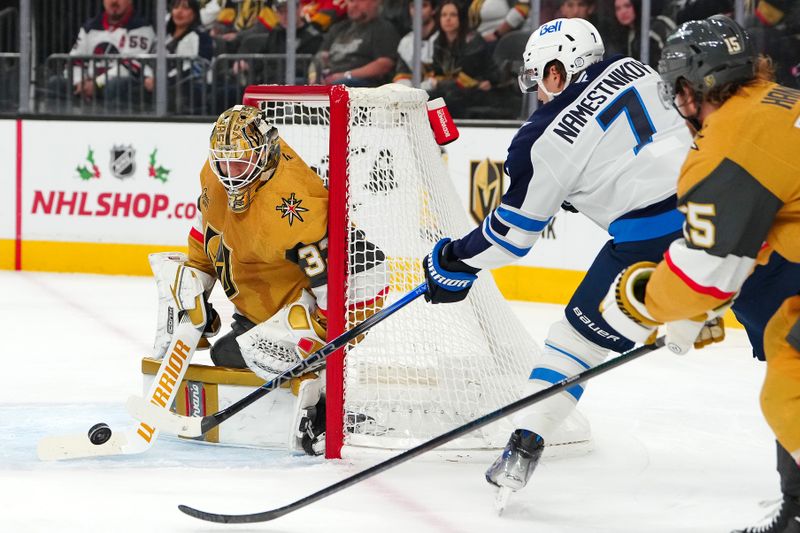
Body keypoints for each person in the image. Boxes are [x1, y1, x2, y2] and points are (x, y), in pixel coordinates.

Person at [420, 16, 698, 494]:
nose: (540, 94)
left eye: (539, 79)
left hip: (649, 244)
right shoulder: (636, 67)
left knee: (574, 342)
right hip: (722, 215)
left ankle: (524, 445)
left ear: (557, 70)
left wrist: (455, 261)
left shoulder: (540, 138)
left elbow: (511, 236)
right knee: (779, 330)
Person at [600, 15, 800, 533]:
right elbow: (756, 232)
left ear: (690, 87)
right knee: (787, 347)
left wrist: (643, 299)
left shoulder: (726, 141)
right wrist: (708, 303)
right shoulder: (778, 100)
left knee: (789, 391)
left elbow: (703, 273)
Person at [150, 105, 386, 455]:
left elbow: (332, 281)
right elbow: (211, 230)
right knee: (224, 347)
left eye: (241, 162)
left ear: (265, 154)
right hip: (271, 298)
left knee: (266, 353)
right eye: (224, 162)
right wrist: (197, 286)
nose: (231, 172)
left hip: (342, 289)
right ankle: (292, 353)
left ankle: (325, 404)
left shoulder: (294, 204)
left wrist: (322, 336)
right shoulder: (215, 174)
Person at [45, 0, 155, 113]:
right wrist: (79, 82)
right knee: (56, 83)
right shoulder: (90, 27)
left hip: (121, 85)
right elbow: (74, 61)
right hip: (88, 83)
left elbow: (129, 67)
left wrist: (97, 84)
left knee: (114, 86)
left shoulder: (141, 27)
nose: (114, 1)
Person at [424, 0, 502, 117]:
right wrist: (440, 82)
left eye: (453, 15)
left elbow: (465, 80)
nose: (448, 19)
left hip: (482, 91)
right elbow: (436, 74)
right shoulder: (438, 42)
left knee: (449, 100)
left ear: (461, 17)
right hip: (453, 91)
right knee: (427, 98)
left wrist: (440, 83)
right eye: (444, 15)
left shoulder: (473, 41)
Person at [311, 0, 400, 87]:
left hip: (362, 85)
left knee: (341, 84)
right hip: (330, 78)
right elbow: (319, 58)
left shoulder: (383, 28)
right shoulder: (338, 28)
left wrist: (346, 75)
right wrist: (315, 77)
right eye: (350, 1)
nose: (354, 5)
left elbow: (384, 64)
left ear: (376, 2)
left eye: (360, 0)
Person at [160, 0, 214, 114]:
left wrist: (169, 80)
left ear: (194, 13)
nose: (179, 11)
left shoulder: (202, 37)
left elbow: (201, 66)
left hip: (189, 87)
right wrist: (148, 78)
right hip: (160, 83)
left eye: (185, 8)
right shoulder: (162, 36)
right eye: (176, 7)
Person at [606, 0, 677, 67]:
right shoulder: (625, 35)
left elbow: (675, 55)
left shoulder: (658, 25)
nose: (623, 12)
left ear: (636, 5)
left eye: (627, 6)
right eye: (618, 8)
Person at [393, 0, 438, 86]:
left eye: (424, 6)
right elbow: (402, 74)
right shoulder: (406, 42)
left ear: (433, 10)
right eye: (413, 6)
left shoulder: (443, 38)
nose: (418, 10)